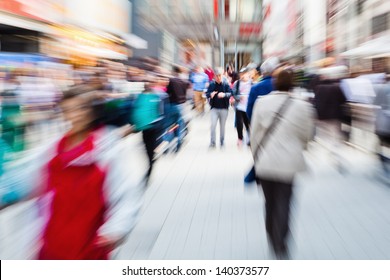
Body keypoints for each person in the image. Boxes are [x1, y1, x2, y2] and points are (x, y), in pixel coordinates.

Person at [0, 84, 147, 259]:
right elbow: (27, 181)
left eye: (80, 109)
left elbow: (127, 193)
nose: (74, 115)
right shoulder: (52, 150)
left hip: (90, 245)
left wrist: (117, 228)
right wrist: (5, 195)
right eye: (68, 110)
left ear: (92, 111)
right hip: (51, 244)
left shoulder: (109, 150)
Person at [250, 69, 314, 259]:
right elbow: (307, 135)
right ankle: (282, 244)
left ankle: (272, 239)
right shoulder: (303, 106)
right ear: (293, 83)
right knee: (285, 202)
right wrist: (299, 147)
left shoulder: (262, 103)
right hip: (290, 162)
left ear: (275, 83)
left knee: (269, 203)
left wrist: (256, 157)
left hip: (266, 161)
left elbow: (254, 135)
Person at [244, 57, 279, 183]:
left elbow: (249, 111)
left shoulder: (255, 88)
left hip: (259, 128)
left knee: (261, 153)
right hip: (279, 128)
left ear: (262, 72)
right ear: (275, 71)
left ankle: (263, 178)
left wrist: (253, 125)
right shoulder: (280, 86)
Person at [206, 68, 232, 148]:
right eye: (217, 76)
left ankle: (222, 141)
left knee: (222, 126)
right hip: (214, 108)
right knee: (213, 125)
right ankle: (212, 142)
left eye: (220, 76)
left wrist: (224, 95)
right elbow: (207, 94)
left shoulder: (226, 84)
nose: (218, 78)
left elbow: (231, 93)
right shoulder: (212, 84)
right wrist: (211, 94)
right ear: (214, 76)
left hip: (224, 108)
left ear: (222, 75)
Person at [166, 66, 190, 149]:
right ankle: (179, 141)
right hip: (182, 105)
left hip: (173, 105)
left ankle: (169, 142)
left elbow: (167, 92)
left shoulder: (171, 81)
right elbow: (185, 93)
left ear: (173, 71)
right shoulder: (184, 81)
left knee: (170, 124)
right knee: (180, 124)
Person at [232, 67, 252, 146]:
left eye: (244, 74)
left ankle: (249, 139)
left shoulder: (252, 83)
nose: (243, 76)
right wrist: (239, 97)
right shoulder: (237, 83)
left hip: (248, 106)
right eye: (241, 74)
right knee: (239, 123)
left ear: (248, 74)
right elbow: (233, 93)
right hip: (239, 106)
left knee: (248, 124)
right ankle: (240, 138)